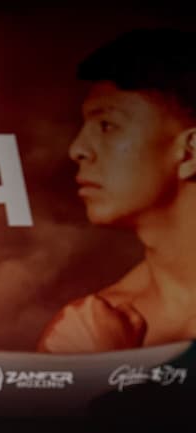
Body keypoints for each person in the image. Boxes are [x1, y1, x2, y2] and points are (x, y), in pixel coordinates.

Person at [38, 28, 196, 353]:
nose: (77, 149)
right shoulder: (85, 331)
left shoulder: (96, 340)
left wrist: (110, 378)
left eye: (107, 125)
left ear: (190, 151)